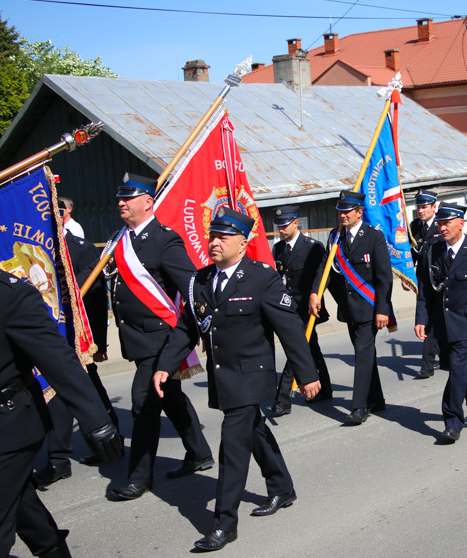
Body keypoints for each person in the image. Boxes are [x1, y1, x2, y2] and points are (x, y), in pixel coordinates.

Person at [0, 198, 122, 558]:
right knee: (20, 506)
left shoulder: (11, 296)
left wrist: (97, 421)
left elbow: (59, 361)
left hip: (5, 427)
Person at [153, 208, 321, 552]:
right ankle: (281, 486)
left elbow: (289, 330)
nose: (213, 243)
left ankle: (224, 523)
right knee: (254, 431)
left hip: (251, 376)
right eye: (211, 236)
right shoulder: (200, 280)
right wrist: (165, 365)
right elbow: (187, 327)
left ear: (243, 243)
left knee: (233, 445)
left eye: (223, 237)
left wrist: (307, 375)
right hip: (222, 377)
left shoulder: (262, 278)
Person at [106, 173, 213, 500]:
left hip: (162, 339)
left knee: (144, 402)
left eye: (129, 198)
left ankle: (139, 477)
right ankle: (199, 453)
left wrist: (202, 330)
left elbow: (191, 287)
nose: (122, 204)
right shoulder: (118, 239)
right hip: (136, 339)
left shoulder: (165, 239)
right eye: (120, 199)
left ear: (148, 201)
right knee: (170, 395)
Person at [35, 219, 121, 485]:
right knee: (56, 393)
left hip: (76, 335)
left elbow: (95, 298)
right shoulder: (38, 246)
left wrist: (99, 344)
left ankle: (107, 439)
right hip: (46, 333)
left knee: (87, 388)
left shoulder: (79, 247)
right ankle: (60, 458)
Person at [310, 190, 393, 425]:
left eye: (347, 211)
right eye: (340, 211)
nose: (342, 215)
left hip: (369, 307)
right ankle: (376, 398)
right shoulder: (335, 236)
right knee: (365, 353)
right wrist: (316, 292)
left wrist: (382, 309)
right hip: (348, 308)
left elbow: (384, 277)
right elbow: (325, 267)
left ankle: (360, 406)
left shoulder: (374, 237)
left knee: (362, 354)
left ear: (359, 212)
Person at [414, 202, 467, 443]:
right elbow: (426, 290)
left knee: (458, 369)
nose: (442, 227)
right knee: (465, 367)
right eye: (439, 223)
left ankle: (452, 420)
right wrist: (422, 319)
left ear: (461, 223)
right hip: (443, 324)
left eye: (447, 222)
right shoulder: (434, 250)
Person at [266, 206, 333, 416]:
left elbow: (322, 275)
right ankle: (326, 388)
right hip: (286, 309)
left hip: (306, 309)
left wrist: (315, 294)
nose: (281, 229)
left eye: (285, 225)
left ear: (296, 223)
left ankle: (283, 399)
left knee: (295, 349)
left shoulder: (311, 247)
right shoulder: (277, 249)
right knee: (310, 347)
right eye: (279, 226)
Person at [407, 189, 445, 378]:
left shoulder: (441, 225)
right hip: (423, 280)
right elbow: (411, 254)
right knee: (427, 320)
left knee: (443, 320)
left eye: (424, 207)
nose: (420, 210)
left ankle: (445, 358)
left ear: (433, 207)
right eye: (418, 207)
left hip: (442, 281)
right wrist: (407, 277)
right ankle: (427, 366)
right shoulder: (415, 227)